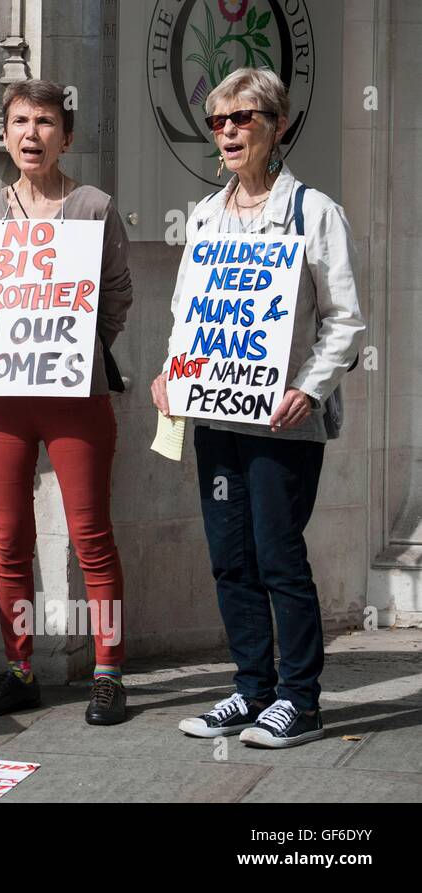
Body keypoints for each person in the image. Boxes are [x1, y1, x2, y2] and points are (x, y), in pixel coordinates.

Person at [152, 67, 365, 748]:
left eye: (244, 118)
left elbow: (346, 321)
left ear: (277, 125)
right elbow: (191, 312)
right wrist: (169, 374)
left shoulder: (315, 213)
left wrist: (309, 386)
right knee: (230, 557)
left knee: (278, 556)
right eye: (219, 122)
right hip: (217, 416)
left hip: (282, 424)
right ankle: (253, 687)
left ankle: (300, 699)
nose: (230, 132)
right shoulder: (208, 214)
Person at [0, 79, 134, 726]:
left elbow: (118, 293)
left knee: (92, 536)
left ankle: (109, 672)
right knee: (10, 539)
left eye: (44, 122)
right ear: (5, 134)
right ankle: (20, 670)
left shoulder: (93, 207)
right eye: (19, 121)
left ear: (67, 135)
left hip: (74, 394)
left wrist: (77, 349)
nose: (31, 133)